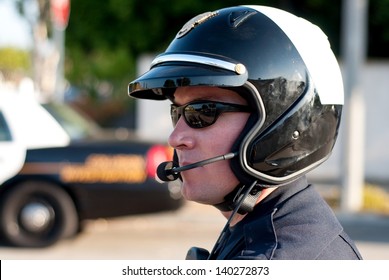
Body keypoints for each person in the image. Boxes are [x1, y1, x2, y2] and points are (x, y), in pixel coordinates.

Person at [128, 5, 362, 260]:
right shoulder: (265, 224)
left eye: (203, 112)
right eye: (177, 112)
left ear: (281, 123)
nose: (176, 138)